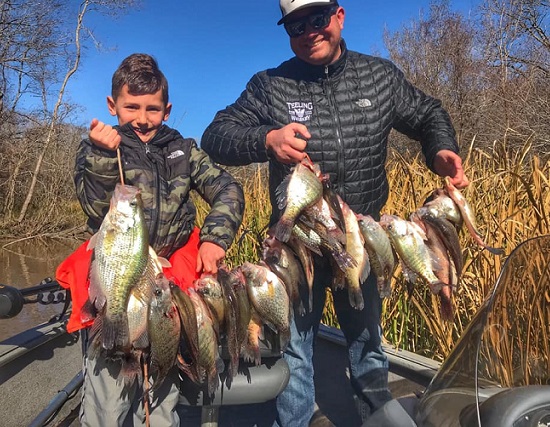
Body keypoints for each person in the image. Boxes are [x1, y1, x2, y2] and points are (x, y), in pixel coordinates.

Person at [201, 0, 469, 425]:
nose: (309, 31)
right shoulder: (270, 85)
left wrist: (441, 150)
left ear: (339, 17)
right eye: (295, 25)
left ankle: (376, 417)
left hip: (361, 241)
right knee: (296, 350)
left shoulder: (379, 76)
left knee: (368, 343)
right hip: (297, 247)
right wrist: (266, 139)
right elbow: (215, 134)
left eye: (318, 19)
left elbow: (428, 113)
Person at [56, 53, 245, 426]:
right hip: (118, 280)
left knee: (162, 397)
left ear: (167, 109)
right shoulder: (100, 147)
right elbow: (95, 210)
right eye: (131, 107)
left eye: (152, 109)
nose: (142, 118)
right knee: (108, 405)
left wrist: (215, 238)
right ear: (113, 105)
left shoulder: (185, 151)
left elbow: (228, 188)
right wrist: (99, 154)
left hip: (167, 285)